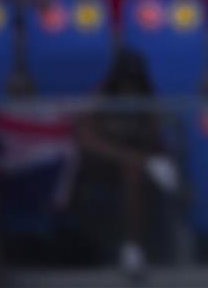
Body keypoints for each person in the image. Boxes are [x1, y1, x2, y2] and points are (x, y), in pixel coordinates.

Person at [73, 50, 178, 279]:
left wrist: (148, 158)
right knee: (131, 168)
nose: (129, 86)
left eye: (134, 80)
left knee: (137, 172)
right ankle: (124, 250)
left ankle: (133, 251)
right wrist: (125, 156)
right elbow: (86, 139)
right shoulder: (101, 97)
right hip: (101, 164)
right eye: (125, 80)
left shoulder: (148, 100)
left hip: (135, 166)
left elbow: (156, 139)